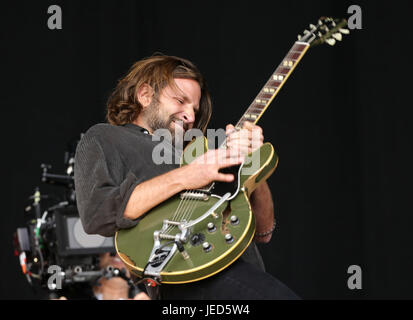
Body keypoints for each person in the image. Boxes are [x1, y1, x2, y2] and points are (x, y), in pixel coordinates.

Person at [74, 54, 299, 299]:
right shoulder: (105, 137)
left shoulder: (203, 155)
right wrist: (188, 176)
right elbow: (97, 214)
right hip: (183, 271)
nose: (190, 116)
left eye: (194, 108)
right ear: (145, 95)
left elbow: (263, 232)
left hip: (241, 270)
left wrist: (253, 165)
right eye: (180, 101)